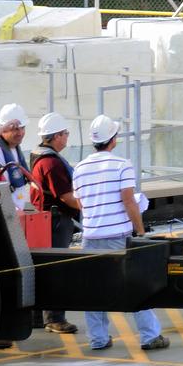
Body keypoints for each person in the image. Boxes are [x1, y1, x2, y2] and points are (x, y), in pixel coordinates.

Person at [71, 114, 169, 352]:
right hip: (117, 237)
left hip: (90, 237)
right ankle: (149, 336)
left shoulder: (79, 168)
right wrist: (141, 231)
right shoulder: (122, 165)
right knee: (135, 284)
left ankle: (98, 339)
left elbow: (81, 204)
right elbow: (129, 201)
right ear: (113, 139)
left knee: (94, 289)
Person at [28, 112, 81, 334]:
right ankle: (55, 319)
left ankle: (36, 317)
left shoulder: (38, 156)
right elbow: (66, 196)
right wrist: (90, 207)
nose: (67, 136)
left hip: (44, 218)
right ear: (56, 136)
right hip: (56, 220)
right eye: (65, 133)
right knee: (57, 268)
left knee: (41, 267)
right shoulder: (51, 163)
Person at [0, 103, 31, 199]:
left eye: (23, 128)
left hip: (19, 202)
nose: (20, 133)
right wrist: (4, 127)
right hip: (5, 203)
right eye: (15, 129)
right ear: (3, 130)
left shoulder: (16, 148)